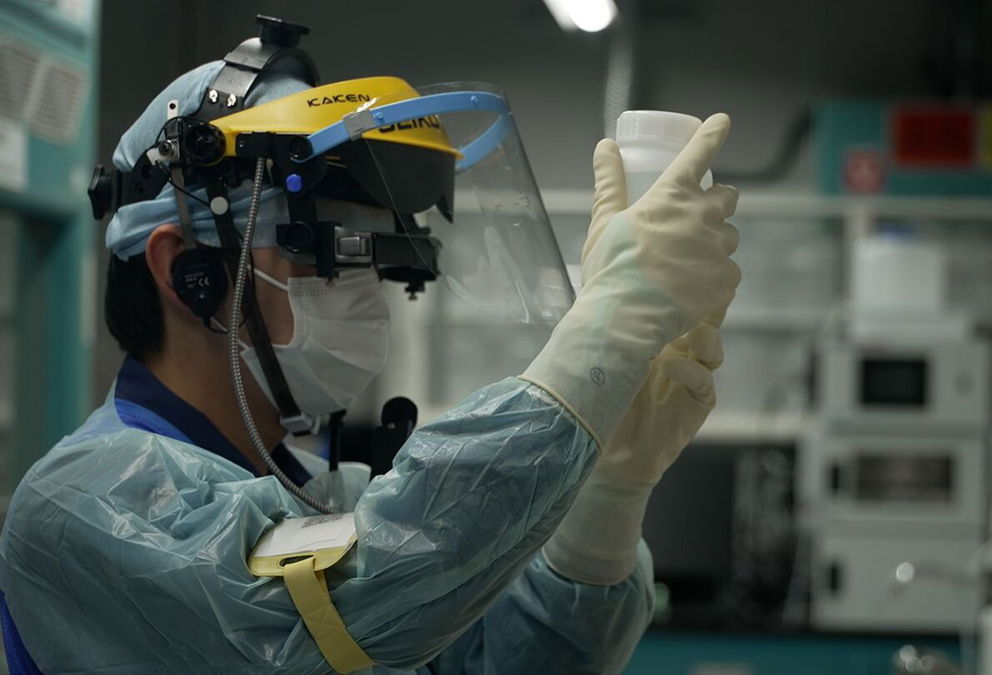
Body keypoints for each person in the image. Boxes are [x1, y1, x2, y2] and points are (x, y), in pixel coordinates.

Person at [0, 17, 739, 674]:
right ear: (185, 270)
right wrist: (597, 342)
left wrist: (606, 503)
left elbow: (511, 659)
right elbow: (326, 616)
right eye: (324, 250)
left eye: (375, 257)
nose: (364, 293)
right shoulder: (82, 508)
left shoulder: (324, 496)